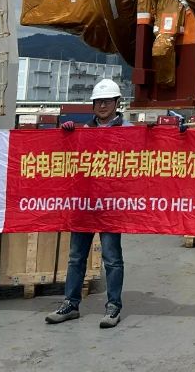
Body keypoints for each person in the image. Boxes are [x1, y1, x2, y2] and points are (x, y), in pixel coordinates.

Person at [46, 78, 127, 329]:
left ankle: (113, 305)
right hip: (85, 204)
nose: (102, 105)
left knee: (112, 258)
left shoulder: (128, 131)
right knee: (76, 257)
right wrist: (67, 134)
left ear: (117, 103)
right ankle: (71, 304)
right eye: (98, 101)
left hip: (111, 205)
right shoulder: (83, 131)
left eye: (107, 101)